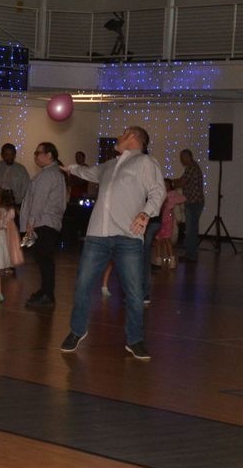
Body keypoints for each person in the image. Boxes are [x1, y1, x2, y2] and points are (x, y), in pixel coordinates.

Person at [59, 126, 166, 360]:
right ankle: (77, 331)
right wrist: (68, 167)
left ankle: (135, 340)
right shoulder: (109, 165)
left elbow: (159, 191)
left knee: (135, 293)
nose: (117, 137)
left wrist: (146, 213)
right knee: (82, 285)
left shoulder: (146, 162)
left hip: (128, 237)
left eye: (122, 133)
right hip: (97, 235)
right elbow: (88, 173)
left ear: (132, 137)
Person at [21, 142, 67, 307]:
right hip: (48, 222)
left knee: (45, 260)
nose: (35, 156)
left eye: (38, 152)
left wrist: (31, 222)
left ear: (49, 155)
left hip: (43, 222)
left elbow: (39, 201)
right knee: (43, 260)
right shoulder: (55, 173)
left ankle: (48, 295)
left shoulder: (48, 175)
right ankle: (45, 291)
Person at [173, 149, 204, 263]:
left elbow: (182, 182)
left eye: (182, 158)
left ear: (187, 157)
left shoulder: (191, 168)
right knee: (192, 230)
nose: (181, 160)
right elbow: (182, 180)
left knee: (190, 230)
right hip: (195, 202)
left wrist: (169, 183)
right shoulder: (192, 167)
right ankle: (191, 254)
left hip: (193, 203)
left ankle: (191, 256)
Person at [156, 178, 186, 268]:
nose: (165, 186)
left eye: (167, 185)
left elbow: (183, 198)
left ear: (170, 186)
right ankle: (159, 259)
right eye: (164, 184)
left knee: (167, 239)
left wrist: (169, 201)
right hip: (159, 219)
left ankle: (172, 259)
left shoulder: (171, 194)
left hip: (167, 220)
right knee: (158, 240)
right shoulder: (159, 194)